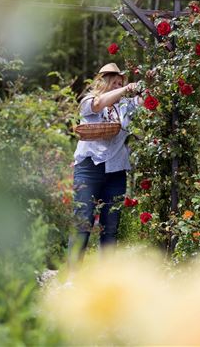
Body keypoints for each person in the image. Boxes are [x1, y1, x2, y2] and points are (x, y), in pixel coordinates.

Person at [68, 62, 141, 265]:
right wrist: (125, 89)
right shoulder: (89, 100)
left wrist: (149, 81)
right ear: (105, 83)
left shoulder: (125, 106)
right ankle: (73, 275)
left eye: (121, 83)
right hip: (89, 168)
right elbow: (99, 104)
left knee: (111, 225)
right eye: (114, 83)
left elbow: (146, 100)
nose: (118, 87)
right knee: (83, 220)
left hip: (116, 171)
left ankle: (105, 279)